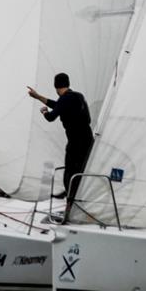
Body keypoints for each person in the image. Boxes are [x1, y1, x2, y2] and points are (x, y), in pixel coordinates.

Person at [27, 73, 94, 209]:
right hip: (88, 142)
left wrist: (44, 112)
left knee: (69, 174)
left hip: (76, 143)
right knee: (81, 172)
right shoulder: (78, 96)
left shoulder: (65, 99)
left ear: (56, 87)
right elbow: (57, 105)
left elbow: (51, 116)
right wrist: (38, 96)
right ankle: (80, 202)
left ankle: (70, 204)